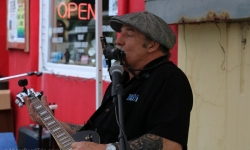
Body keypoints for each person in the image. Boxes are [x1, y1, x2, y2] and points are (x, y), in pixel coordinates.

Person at [24, 11, 193, 150]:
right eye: (120, 34)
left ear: (152, 45)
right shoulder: (122, 78)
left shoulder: (170, 79)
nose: (118, 40)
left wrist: (104, 149)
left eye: (129, 34)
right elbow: (92, 135)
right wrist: (49, 121)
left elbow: (170, 144)